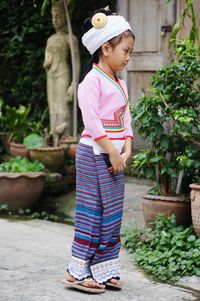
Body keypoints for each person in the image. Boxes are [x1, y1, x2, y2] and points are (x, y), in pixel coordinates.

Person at [62, 7, 135, 294]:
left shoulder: (121, 84)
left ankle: (104, 269)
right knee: (92, 212)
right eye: (125, 51)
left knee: (112, 213)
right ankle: (79, 271)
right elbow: (92, 123)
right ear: (106, 48)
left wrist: (126, 149)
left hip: (116, 156)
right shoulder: (90, 83)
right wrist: (112, 152)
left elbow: (125, 120)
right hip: (93, 155)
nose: (128, 57)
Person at [43, 0, 80, 141]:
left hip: (63, 74)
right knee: (53, 108)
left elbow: (75, 61)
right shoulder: (50, 39)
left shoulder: (71, 38)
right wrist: (48, 61)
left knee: (64, 108)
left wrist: (74, 83)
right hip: (50, 75)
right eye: (53, 16)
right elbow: (47, 61)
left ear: (65, 17)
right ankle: (54, 140)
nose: (55, 20)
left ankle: (65, 140)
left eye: (58, 16)